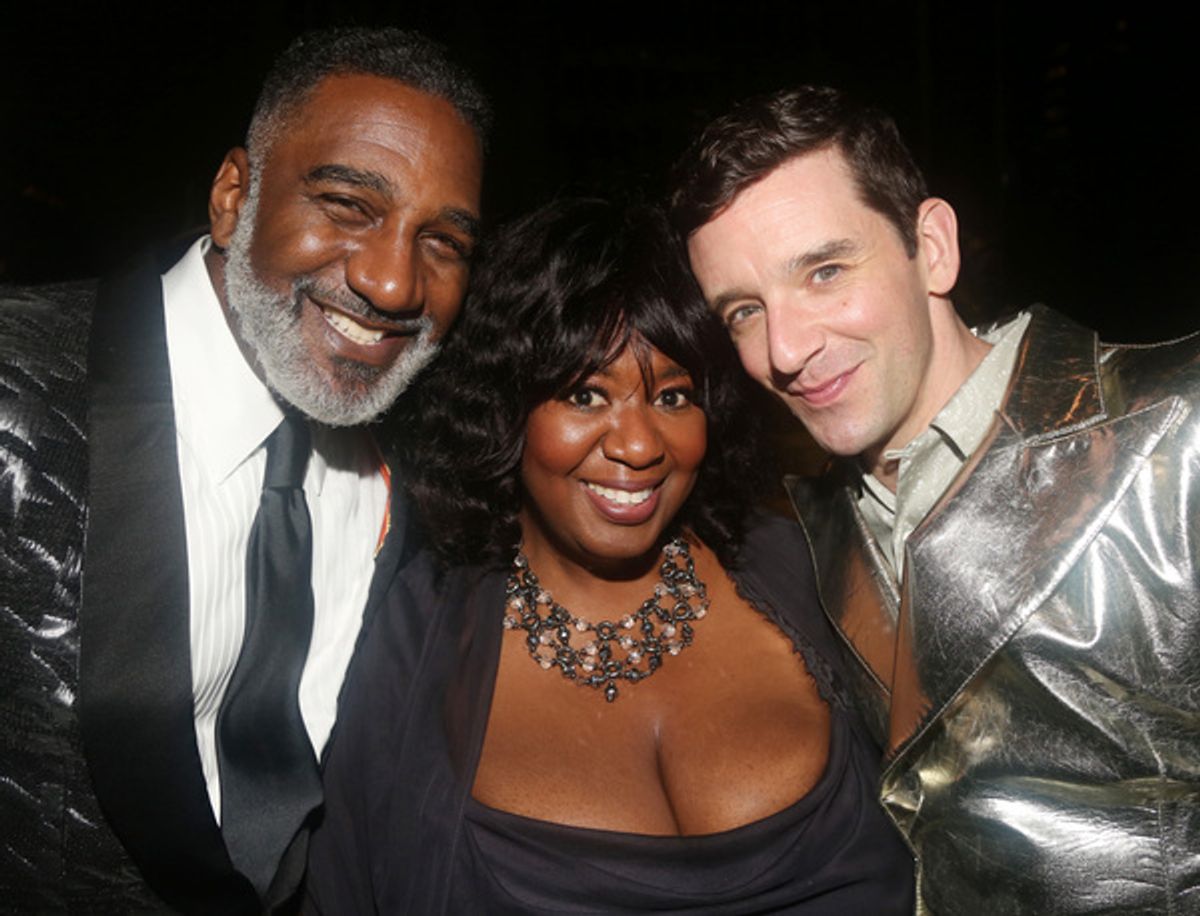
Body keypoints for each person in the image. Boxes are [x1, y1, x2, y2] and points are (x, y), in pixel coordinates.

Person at [671, 85, 1200, 914]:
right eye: (744, 311)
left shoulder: (1176, 429)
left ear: (934, 248)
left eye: (824, 271)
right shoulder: (804, 527)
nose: (786, 348)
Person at [305, 198, 915, 914]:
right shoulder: (409, 641)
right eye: (587, 395)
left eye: (674, 397)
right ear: (505, 407)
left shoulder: (820, 571)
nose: (639, 445)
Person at [0, 27, 487, 914]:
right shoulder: (15, 391)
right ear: (233, 198)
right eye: (348, 205)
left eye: (443, 242)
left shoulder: (415, 466)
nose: (394, 284)